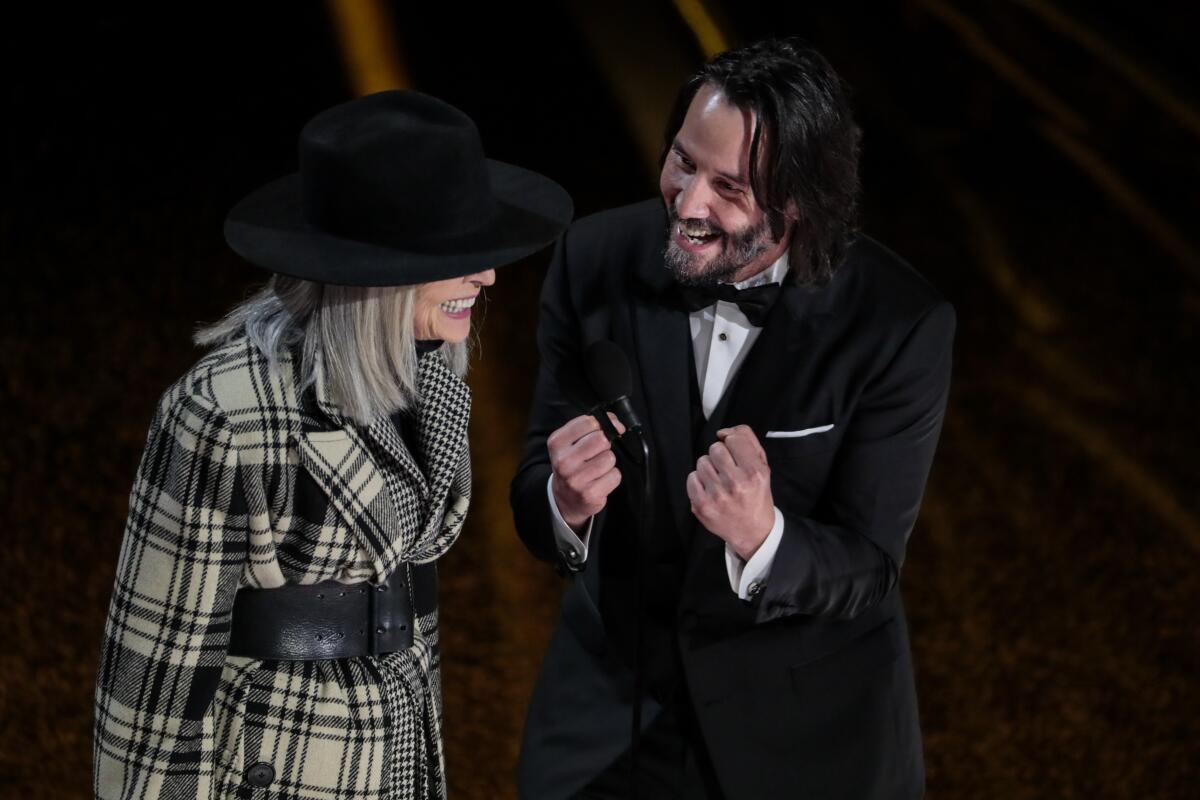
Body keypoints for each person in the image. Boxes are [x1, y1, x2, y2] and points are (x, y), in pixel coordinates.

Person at [93, 90, 572, 800]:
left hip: (396, 761)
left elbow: (410, 621)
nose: (489, 277)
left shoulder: (425, 371)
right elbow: (152, 690)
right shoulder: (225, 416)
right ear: (377, 275)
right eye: (459, 256)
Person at [510, 38, 954, 799]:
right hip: (612, 720)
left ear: (799, 203)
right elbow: (532, 484)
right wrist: (562, 502)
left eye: (729, 187)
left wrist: (763, 537)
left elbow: (869, 563)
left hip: (804, 737)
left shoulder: (899, 323)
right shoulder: (592, 257)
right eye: (683, 161)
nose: (686, 204)